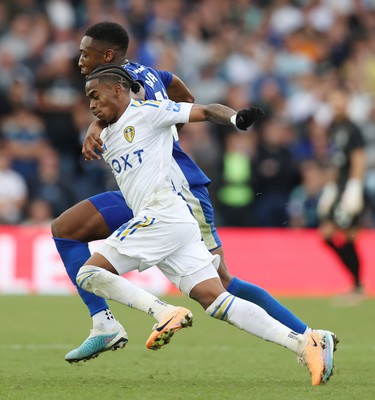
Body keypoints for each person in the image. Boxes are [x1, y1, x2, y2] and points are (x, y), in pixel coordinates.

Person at [51, 22, 335, 363]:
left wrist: (123, 127)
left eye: (86, 53)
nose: (79, 59)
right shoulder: (146, 74)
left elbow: (153, 108)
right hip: (139, 190)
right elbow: (179, 90)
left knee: (221, 282)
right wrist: (149, 126)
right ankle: (103, 323)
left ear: (109, 60)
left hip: (176, 187)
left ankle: (307, 336)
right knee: (66, 230)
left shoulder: (132, 87)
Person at [317, 88, 366, 305]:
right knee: (328, 235)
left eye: (341, 101)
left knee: (347, 235)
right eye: (334, 101)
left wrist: (354, 186)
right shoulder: (334, 129)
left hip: (349, 187)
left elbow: (358, 159)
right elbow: (334, 161)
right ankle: (356, 284)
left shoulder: (353, 130)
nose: (337, 105)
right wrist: (329, 187)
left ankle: (357, 286)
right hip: (338, 188)